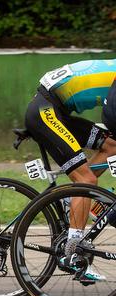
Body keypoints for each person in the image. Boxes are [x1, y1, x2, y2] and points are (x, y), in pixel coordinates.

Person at [24, 59, 116, 281]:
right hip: (46, 111)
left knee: (112, 146)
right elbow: (111, 117)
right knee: (86, 181)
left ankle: (72, 200)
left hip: (57, 111)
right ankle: (71, 253)